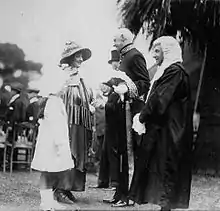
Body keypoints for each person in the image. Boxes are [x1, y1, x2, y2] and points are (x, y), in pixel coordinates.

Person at [130, 36, 193, 211]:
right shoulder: (169, 71)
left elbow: (159, 99)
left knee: (166, 171)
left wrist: (142, 117)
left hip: (170, 131)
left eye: (157, 51)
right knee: (161, 171)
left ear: (167, 51)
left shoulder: (174, 71)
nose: (154, 55)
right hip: (165, 130)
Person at [103, 28, 150, 207]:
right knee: (119, 152)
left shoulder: (135, 56)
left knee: (127, 153)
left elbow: (144, 82)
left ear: (124, 39)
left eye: (115, 40)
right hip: (120, 111)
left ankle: (127, 195)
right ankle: (119, 192)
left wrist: (127, 90)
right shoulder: (125, 56)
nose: (113, 43)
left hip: (130, 112)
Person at [53, 40, 95, 204]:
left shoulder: (82, 76)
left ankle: (69, 187)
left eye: (81, 56)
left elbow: (87, 96)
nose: (80, 59)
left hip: (81, 120)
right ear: (69, 58)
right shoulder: (64, 76)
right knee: (68, 151)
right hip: (69, 119)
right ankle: (60, 188)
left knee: (79, 153)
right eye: (77, 55)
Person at [31, 83, 75, 211]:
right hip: (52, 144)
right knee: (48, 172)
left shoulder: (55, 101)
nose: (66, 88)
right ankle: (46, 203)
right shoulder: (53, 102)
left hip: (51, 142)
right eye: (64, 85)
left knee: (53, 172)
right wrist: (60, 145)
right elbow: (56, 125)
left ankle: (50, 200)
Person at [91, 48, 121, 189]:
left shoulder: (122, 77)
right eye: (113, 62)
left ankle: (115, 181)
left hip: (117, 119)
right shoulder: (112, 77)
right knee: (103, 152)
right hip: (107, 120)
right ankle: (103, 181)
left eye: (117, 62)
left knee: (113, 151)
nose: (115, 65)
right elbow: (106, 88)